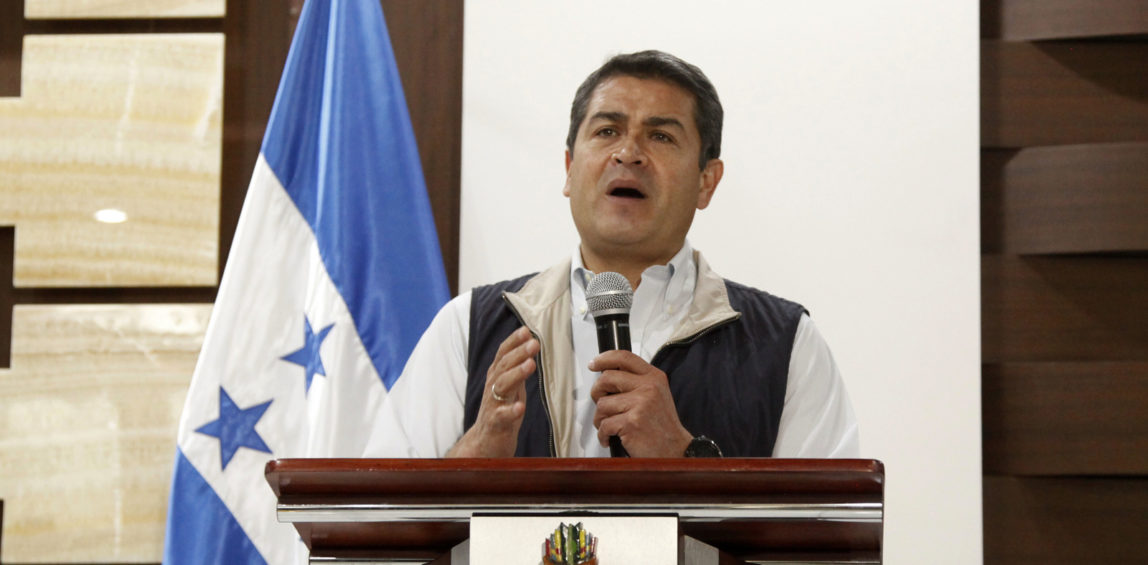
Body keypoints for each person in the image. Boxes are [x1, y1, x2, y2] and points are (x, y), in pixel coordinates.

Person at [364, 50, 857, 459]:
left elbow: (830, 541)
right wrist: (477, 451)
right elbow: (377, 526)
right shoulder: (470, 328)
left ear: (707, 181)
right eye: (606, 131)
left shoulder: (787, 345)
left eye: (661, 136)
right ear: (569, 168)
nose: (629, 153)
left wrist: (684, 457)